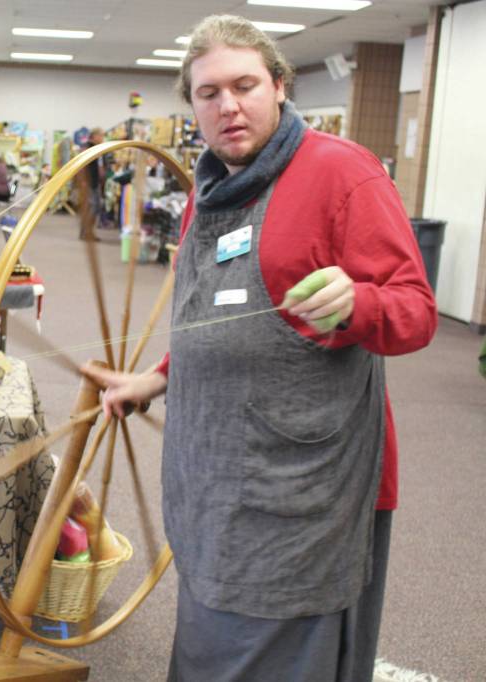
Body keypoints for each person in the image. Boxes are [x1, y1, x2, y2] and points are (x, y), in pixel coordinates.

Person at [81, 15, 437, 682]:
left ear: (280, 84)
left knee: (276, 644)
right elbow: (215, 316)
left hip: (302, 483)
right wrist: (158, 378)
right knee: (212, 629)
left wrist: (359, 303)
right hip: (214, 470)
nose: (229, 105)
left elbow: (416, 312)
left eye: (245, 85)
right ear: (192, 106)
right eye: (209, 93)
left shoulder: (341, 173)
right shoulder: (208, 189)